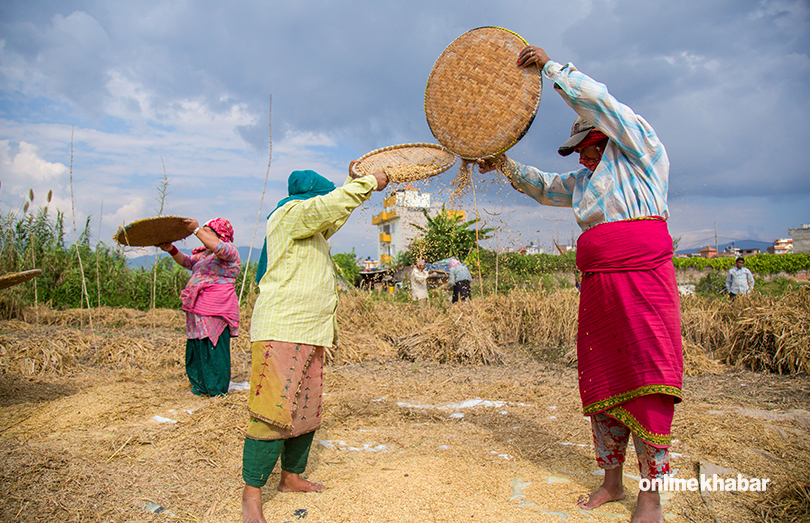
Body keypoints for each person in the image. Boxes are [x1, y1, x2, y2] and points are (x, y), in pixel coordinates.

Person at [478, 45, 682, 523]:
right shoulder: (586, 181)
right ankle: (612, 481)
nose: (584, 158)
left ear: (604, 137)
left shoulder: (641, 153)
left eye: (588, 148)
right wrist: (504, 166)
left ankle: (649, 494)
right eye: (579, 153)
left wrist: (552, 70)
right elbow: (546, 186)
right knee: (603, 380)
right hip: (600, 292)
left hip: (644, 283)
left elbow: (602, 102)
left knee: (648, 380)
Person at [241, 164, 388, 523]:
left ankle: (290, 478)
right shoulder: (289, 214)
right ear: (310, 198)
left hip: (310, 332)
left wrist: (355, 187)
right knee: (271, 411)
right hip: (282, 330)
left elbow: (333, 212)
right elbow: (328, 208)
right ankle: (251, 496)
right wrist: (369, 183)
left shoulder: (312, 227)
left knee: (305, 409)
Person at [159, 217, 240, 397]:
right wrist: (171, 249)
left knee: (213, 345)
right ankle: (200, 386)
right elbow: (188, 262)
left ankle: (216, 390)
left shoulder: (229, 251)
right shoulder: (205, 255)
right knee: (198, 345)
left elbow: (219, 247)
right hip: (197, 306)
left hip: (216, 307)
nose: (202, 236)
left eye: (206, 232)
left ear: (220, 235)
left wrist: (196, 230)